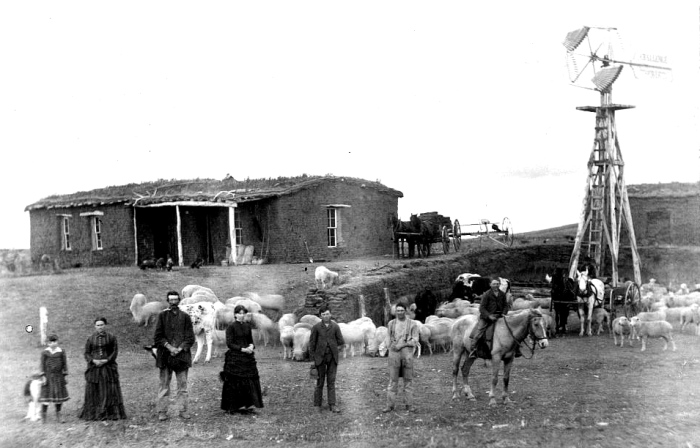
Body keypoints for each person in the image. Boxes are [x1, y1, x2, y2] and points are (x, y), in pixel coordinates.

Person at [153, 290, 195, 421]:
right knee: (164, 385)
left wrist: (180, 348)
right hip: (165, 356)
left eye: (175, 300)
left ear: (179, 301)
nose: (173, 302)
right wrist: (170, 347)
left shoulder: (185, 317)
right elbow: (158, 337)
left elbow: (190, 337)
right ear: (168, 301)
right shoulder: (162, 316)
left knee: (182, 386)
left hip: (181, 357)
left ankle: (183, 410)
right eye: (171, 300)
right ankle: (162, 411)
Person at [78, 318, 127, 420]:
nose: (100, 327)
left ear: (105, 325)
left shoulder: (111, 337)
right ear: (95, 326)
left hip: (108, 367)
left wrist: (107, 360)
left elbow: (114, 351)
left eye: (102, 325)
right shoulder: (91, 338)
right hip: (94, 367)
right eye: (98, 325)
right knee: (94, 389)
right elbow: (87, 353)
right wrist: (93, 361)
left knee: (109, 388)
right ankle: (94, 414)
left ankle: (110, 413)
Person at [220, 305, 264, 414]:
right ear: (235, 314)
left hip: (247, 358)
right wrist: (242, 349)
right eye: (239, 313)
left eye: (243, 313)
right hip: (235, 358)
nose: (241, 315)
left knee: (249, 381)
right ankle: (232, 406)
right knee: (234, 382)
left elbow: (251, 341)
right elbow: (229, 343)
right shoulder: (231, 327)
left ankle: (247, 405)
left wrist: (251, 347)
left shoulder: (247, 326)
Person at [382, 302, 419, 413]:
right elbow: (388, 337)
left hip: (407, 354)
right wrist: (389, 346)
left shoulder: (412, 324)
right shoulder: (391, 324)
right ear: (395, 312)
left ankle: (409, 405)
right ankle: (390, 405)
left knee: (408, 381)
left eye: (402, 310)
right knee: (393, 381)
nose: (400, 312)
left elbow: (415, 339)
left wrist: (403, 344)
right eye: (398, 310)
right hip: (394, 355)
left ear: (405, 311)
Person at [308, 305, 345, 413]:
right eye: (323, 314)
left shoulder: (335, 326)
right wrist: (314, 358)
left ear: (331, 314)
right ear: (320, 316)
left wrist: (337, 349)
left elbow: (341, 341)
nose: (326, 316)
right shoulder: (316, 327)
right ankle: (317, 405)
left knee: (331, 381)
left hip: (332, 358)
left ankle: (332, 405)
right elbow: (312, 343)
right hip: (320, 358)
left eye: (327, 314)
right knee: (319, 382)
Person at [469, 278, 512, 359]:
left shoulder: (502, 294)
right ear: (490, 285)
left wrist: (503, 313)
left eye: (497, 284)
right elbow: (482, 308)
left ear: (499, 285)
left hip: (499, 316)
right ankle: (473, 349)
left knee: (510, 329)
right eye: (494, 284)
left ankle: (513, 349)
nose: (496, 285)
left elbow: (506, 306)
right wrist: (489, 316)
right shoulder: (486, 294)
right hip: (486, 317)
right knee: (480, 330)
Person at [39, 334, 69, 423]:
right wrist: (43, 376)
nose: (53, 344)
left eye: (55, 341)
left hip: (58, 376)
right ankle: (43, 415)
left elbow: (64, 364)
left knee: (58, 395)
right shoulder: (45, 352)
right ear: (48, 343)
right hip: (48, 376)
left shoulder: (61, 351)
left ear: (57, 342)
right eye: (51, 342)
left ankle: (58, 414)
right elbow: (42, 365)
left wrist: (65, 375)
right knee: (46, 395)